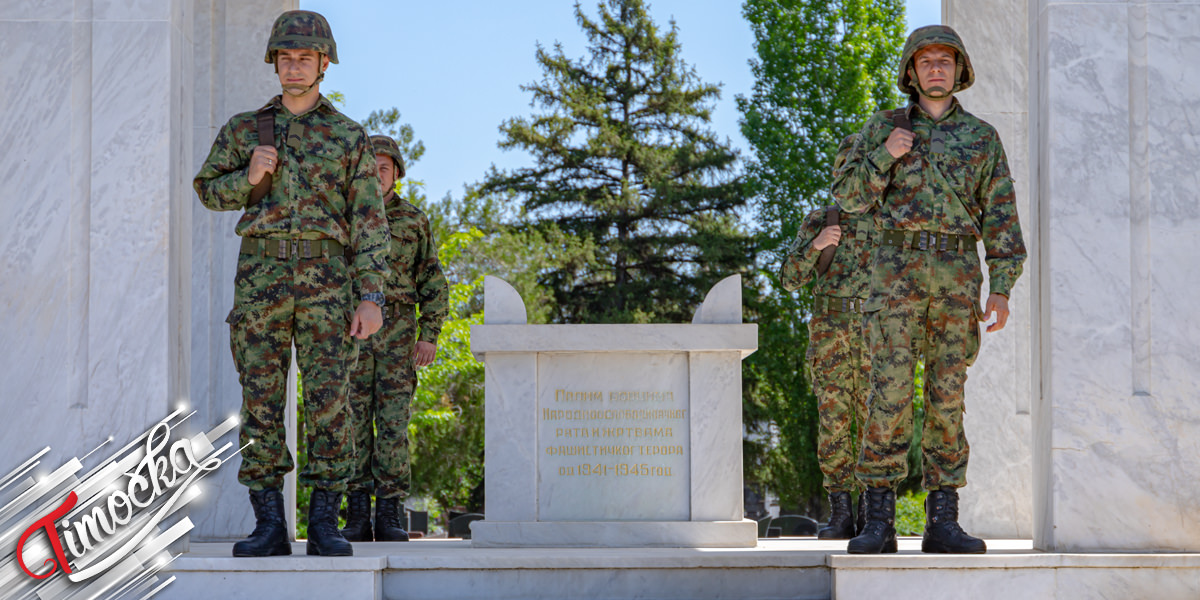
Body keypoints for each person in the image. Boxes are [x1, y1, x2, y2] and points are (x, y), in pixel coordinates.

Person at [194, 10, 391, 557]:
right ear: (275, 63)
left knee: (330, 401)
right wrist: (249, 176)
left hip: (329, 281)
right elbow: (208, 191)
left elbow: (369, 223)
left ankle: (326, 522)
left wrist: (371, 296)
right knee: (260, 401)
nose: (294, 67)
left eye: (305, 58)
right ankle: (269, 526)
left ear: (324, 63)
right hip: (261, 278)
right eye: (286, 58)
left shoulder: (350, 136)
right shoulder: (244, 129)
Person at [831, 25, 1026, 554]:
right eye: (926, 62)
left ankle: (943, 521)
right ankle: (879, 521)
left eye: (945, 60)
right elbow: (846, 199)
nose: (936, 69)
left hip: (958, 276)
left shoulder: (982, 138)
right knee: (887, 395)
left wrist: (1002, 286)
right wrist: (883, 158)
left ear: (959, 70)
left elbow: (1002, 218)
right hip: (894, 274)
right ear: (910, 72)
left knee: (947, 397)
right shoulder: (882, 128)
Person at [340, 135, 449, 543]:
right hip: (352, 332)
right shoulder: (345, 215)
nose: (376, 174)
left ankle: (388, 514)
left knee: (392, 425)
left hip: (400, 334)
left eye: (383, 167)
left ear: (397, 174)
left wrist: (430, 335)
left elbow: (433, 282)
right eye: (369, 167)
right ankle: (355, 516)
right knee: (351, 423)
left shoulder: (414, 221)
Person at [779, 134, 874, 540]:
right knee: (834, 425)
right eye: (846, 171)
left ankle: (874, 511)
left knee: (879, 425)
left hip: (876, 335)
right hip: (831, 335)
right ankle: (841, 514)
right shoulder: (823, 220)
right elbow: (788, 280)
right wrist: (815, 246)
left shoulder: (890, 220)